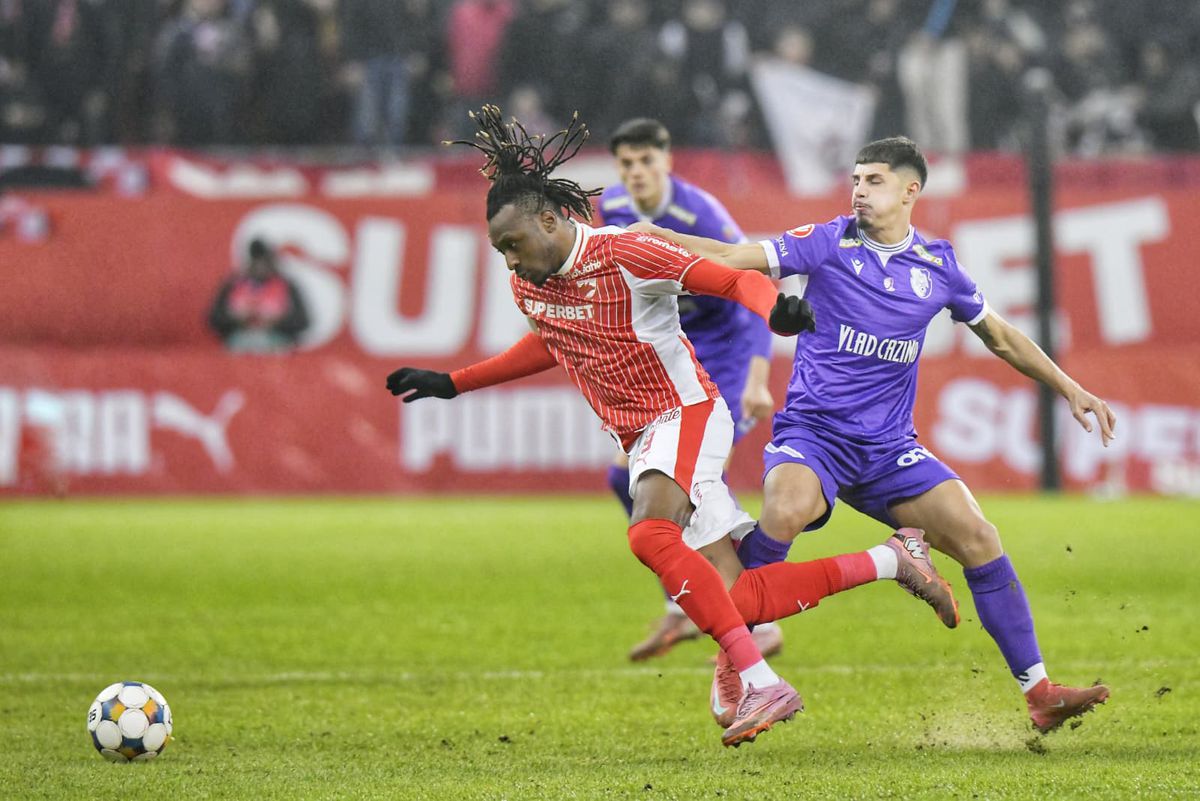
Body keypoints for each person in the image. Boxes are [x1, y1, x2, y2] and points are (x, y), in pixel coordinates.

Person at [386, 106, 961, 747]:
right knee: (742, 594)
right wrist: (453, 382)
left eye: (513, 244)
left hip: (685, 412)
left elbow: (730, 280)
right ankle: (892, 560)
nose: (509, 262)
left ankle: (762, 681)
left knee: (648, 533)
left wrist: (777, 309)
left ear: (549, 221)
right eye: (500, 251)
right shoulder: (533, 286)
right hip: (642, 437)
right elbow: (549, 341)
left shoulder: (626, 250)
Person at [635, 135, 1115, 734]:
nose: (859, 190)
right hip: (814, 436)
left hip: (889, 449)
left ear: (911, 190)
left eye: (875, 180)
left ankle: (1040, 693)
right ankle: (737, 664)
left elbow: (999, 335)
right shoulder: (827, 241)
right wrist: (651, 238)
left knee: (979, 536)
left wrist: (1069, 387)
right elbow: (732, 256)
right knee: (784, 510)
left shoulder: (938, 266)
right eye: (857, 179)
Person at [597, 117, 781, 663]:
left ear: (667, 161)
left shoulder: (701, 216)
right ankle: (685, 607)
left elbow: (753, 286)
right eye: (627, 164)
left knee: (696, 482)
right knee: (625, 477)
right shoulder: (612, 207)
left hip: (725, 356)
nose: (636, 173)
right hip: (672, 356)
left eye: (646, 161)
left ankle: (756, 620)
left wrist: (757, 380)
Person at [208, 238, 309, 353]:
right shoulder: (233, 284)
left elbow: (302, 320)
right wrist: (236, 319)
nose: (260, 266)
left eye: (264, 261)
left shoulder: (286, 285)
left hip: (277, 342)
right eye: (256, 261)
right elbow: (214, 318)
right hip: (240, 341)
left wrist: (277, 321)